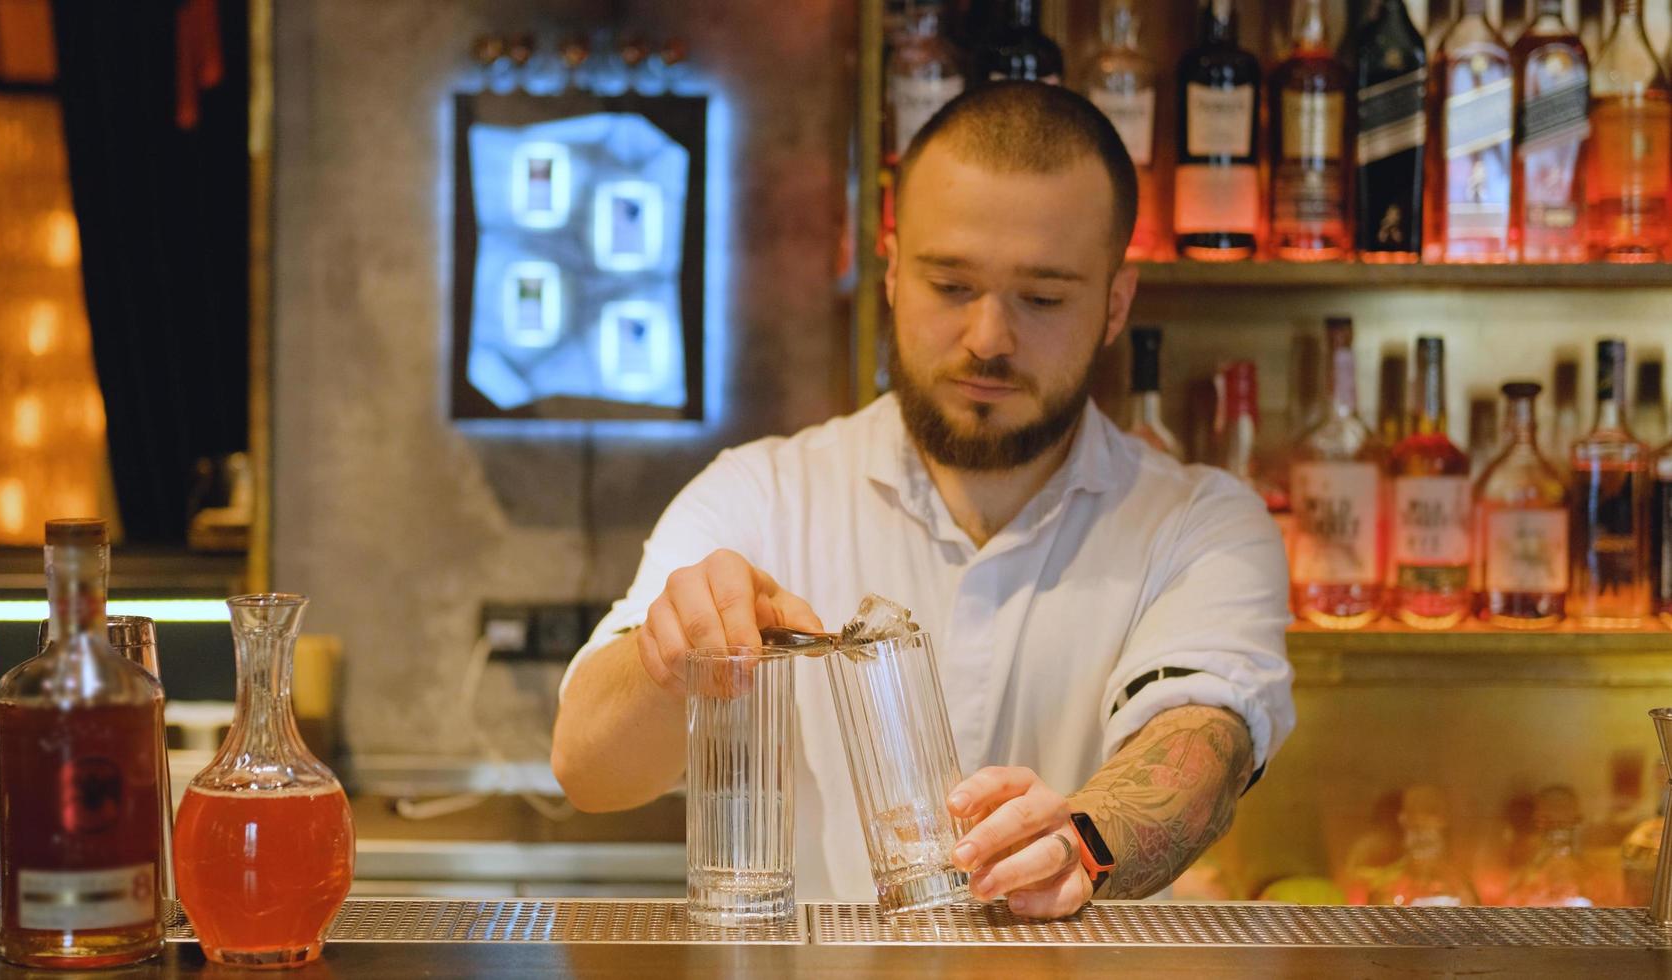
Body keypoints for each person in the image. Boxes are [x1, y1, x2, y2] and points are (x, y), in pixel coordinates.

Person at [550, 82, 1294, 919]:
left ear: (1115, 302)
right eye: (950, 285)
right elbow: (587, 769)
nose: (987, 338)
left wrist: (1083, 839)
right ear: (895, 269)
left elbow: (1202, 739)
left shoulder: (1202, 525)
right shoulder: (759, 493)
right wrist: (669, 658)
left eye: (1042, 298)